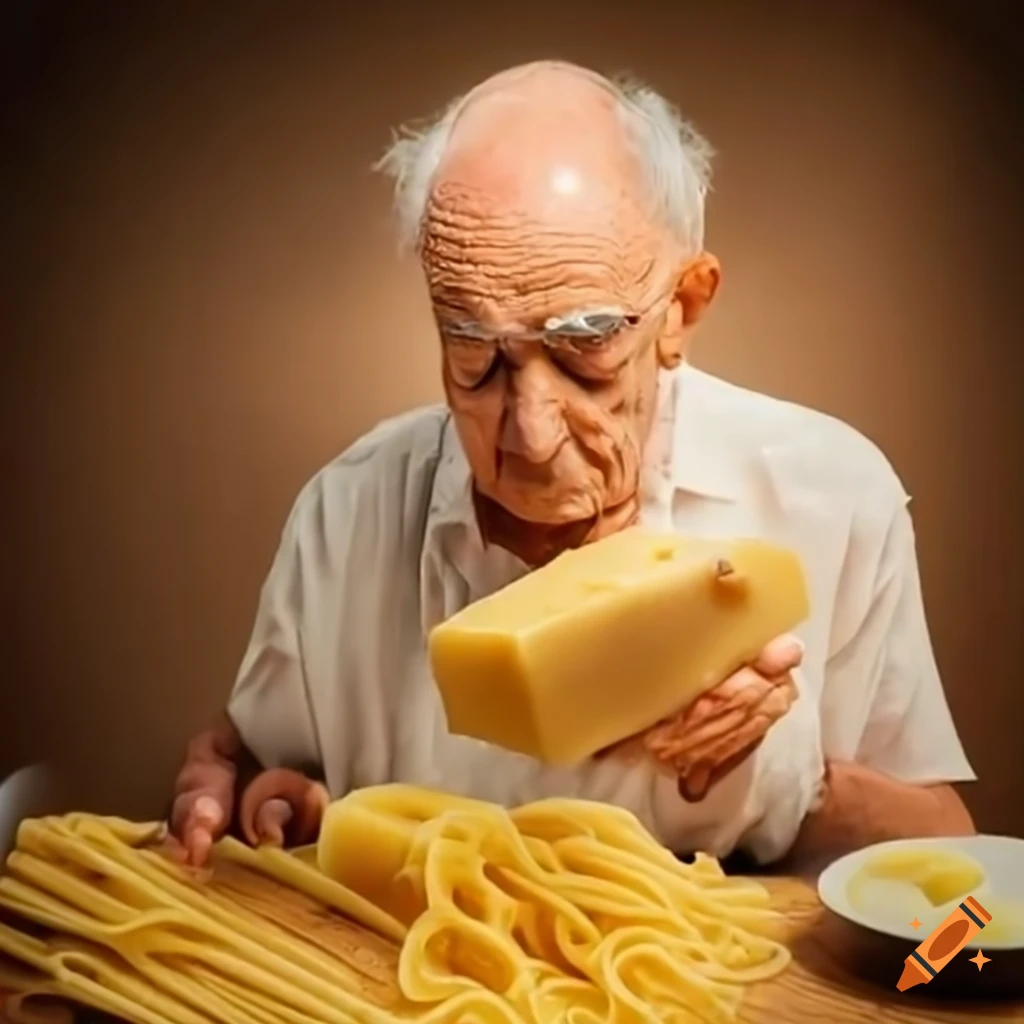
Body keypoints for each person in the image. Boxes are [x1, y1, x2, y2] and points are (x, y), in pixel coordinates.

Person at [169, 61, 975, 869]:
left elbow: (951, 860)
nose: (531, 433)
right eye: (473, 349)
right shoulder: (345, 514)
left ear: (683, 307)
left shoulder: (833, 498)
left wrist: (784, 774)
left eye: (585, 343)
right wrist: (245, 790)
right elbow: (262, 772)